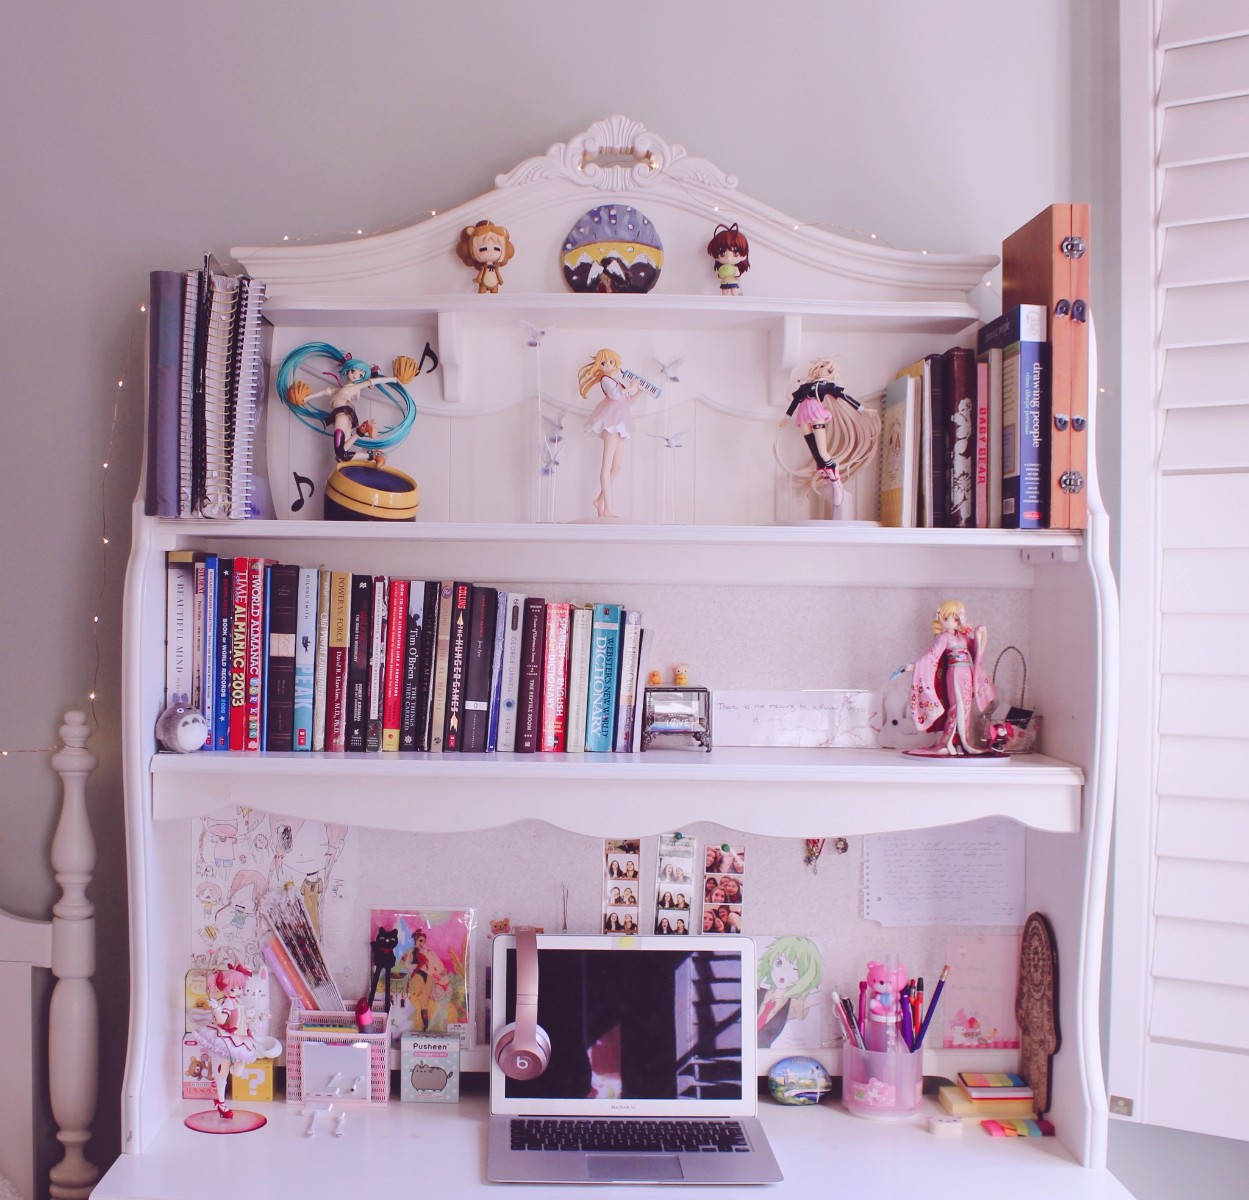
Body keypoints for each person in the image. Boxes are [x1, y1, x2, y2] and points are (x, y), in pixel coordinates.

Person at [283, 349, 421, 468]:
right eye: (354, 371)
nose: (355, 376)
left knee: (339, 453)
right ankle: (374, 453)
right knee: (342, 457)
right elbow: (325, 392)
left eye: (360, 375)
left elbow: (375, 381)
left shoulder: (354, 387)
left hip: (342, 414)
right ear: (348, 370)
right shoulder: (340, 390)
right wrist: (307, 398)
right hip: (345, 416)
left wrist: (394, 379)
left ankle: (364, 431)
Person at [908, 599, 997, 755]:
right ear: (942, 618)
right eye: (952, 618)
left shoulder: (962, 636)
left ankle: (962, 741)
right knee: (957, 707)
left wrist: (980, 634)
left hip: (967, 673)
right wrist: (915, 666)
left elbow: (975, 649)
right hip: (954, 673)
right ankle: (949, 742)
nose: (956, 621)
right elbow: (932, 656)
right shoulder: (943, 637)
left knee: (966, 708)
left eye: (958, 618)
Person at [195, 965, 280, 1119]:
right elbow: (222, 1020)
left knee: (238, 1071)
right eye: (233, 988)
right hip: (229, 1039)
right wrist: (216, 1008)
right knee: (224, 1071)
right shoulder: (228, 1002)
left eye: (240, 987)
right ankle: (221, 1102)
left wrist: (257, 1018)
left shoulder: (238, 1001)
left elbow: (242, 1020)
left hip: (241, 1039)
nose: (237, 991)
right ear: (225, 989)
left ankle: (221, 1085)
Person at [780, 357, 863, 506]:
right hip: (804, 415)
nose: (823, 370)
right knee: (815, 452)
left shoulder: (827, 385)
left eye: (828, 368)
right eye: (822, 366)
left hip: (817, 414)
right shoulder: (805, 385)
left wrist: (861, 408)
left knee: (823, 451)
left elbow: (843, 396)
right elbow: (795, 402)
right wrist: (786, 418)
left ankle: (835, 478)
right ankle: (827, 476)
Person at [580, 348, 641, 518]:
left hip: (620, 424)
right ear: (598, 365)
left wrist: (639, 390)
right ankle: (608, 507)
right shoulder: (606, 380)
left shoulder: (616, 381)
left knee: (617, 466)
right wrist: (630, 387)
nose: (608, 365)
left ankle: (599, 500)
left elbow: (628, 401)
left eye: (611, 362)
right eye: (603, 362)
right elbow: (615, 396)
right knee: (607, 465)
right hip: (610, 423)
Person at [455, 219, 514, 294]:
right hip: (484, 284)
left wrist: (500, 280)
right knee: (481, 295)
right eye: (483, 249)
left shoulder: (495, 267)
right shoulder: (483, 267)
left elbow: (497, 273)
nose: (491, 253)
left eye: (497, 249)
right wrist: (478, 279)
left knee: (495, 298)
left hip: (495, 284)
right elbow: (480, 275)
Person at [706, 222, 750, 297]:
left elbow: (738, 275)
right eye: (722, 253)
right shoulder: (721, 268)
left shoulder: (735, 268)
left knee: (734, 291)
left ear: (744, 256)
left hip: (733, 282)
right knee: (724, 293)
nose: (729, 258)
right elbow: (718, 275)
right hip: (724, 282)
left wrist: (735, 273)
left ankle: (736, 299)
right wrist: (720, 274)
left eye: (735, 253)